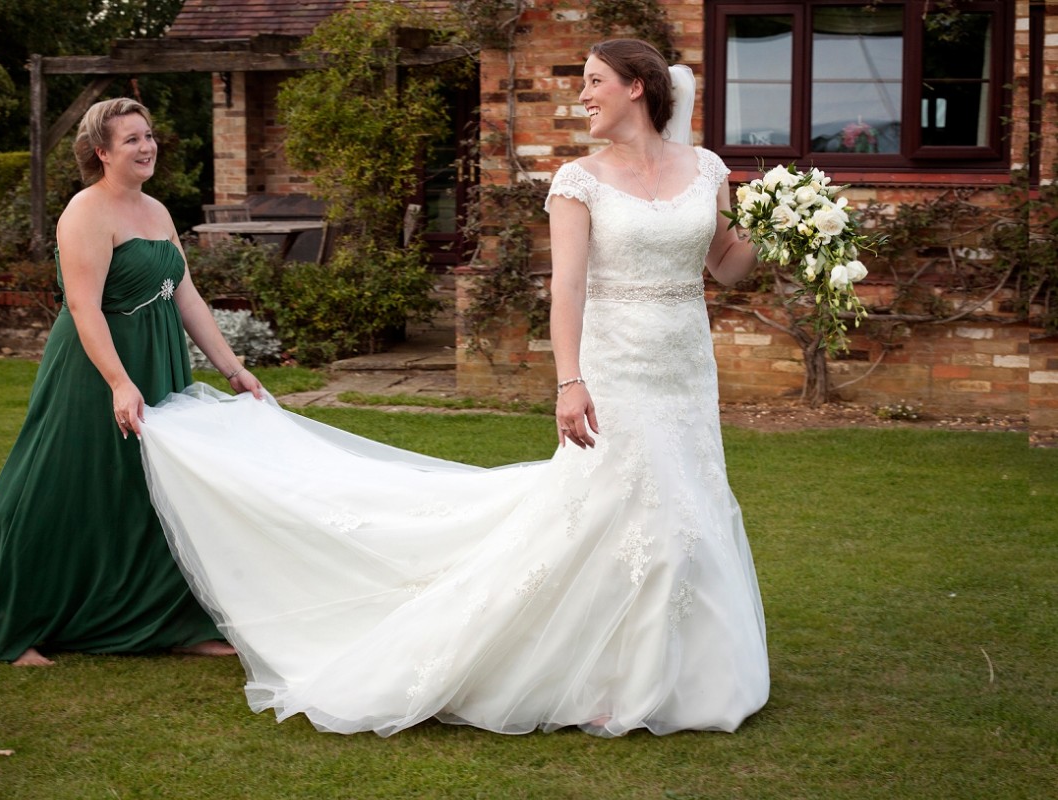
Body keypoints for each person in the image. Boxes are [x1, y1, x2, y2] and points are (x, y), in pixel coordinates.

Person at [136, 38, 768, 737]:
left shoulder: (706, 169)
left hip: (685, 367)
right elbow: (568, 289)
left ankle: (680, 671)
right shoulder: (577, 181)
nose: (581, 96)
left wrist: (778, 229)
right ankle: (598, 675)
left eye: (594, 82)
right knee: (629, 511)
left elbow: (727, 266)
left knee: (688, 502)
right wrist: (569, 380)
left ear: (637, 88)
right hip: (617, 366)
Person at [0, 98, 264, 666]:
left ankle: (169, 623)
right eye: (131, 139)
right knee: (54, 486)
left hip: (160, 361)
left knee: (157, 493)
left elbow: (185, 295)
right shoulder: (85, 211)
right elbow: (82, 306)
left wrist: (233, 367)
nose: (147, 147)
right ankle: (11, 625)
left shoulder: (158, 211)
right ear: (101, 152)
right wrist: (121, 384)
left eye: (148, 136)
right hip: (96, 369)